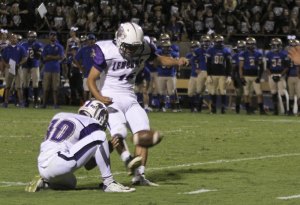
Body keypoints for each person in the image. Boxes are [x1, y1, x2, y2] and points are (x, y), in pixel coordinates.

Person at [87, 22, 188, 186]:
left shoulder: (144, 47)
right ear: (119, 39)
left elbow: (160, 59)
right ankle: (127, 159)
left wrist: (177, 62)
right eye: (129, 47)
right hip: (110, 96)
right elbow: (91, 79)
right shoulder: (105, 49)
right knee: (118, 132)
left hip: (130, 97)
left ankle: (139, 176)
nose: (132, 51)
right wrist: (99, 97)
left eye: (135, 47)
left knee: (143, 131)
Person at [25, 99, 135, 193]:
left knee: (71, 183)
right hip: (58, 160)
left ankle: (44, 182)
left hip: (44, 165)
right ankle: (109, 183)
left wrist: (108, 147)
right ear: (98, 114)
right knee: (101, 136)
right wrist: (109, 146)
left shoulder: (60, 115)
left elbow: (86, 163)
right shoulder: (90, 122)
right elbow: (88, 165)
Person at [239, 37, 267, 115]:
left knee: (259, 93)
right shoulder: (243, 54)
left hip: (255, 75)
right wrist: (241, 77)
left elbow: (261, 67)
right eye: (249, 44)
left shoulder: (258, 53)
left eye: (252, 44)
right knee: (246, 93)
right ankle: (248, 110)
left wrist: (259, 76)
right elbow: (240, 67)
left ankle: (261, 110)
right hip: (246, 76)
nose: (251, 46)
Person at [206, 34, 232, 114]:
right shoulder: (210, 50)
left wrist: (229, 75)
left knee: (223, 91)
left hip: (222, 73)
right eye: (218, 42)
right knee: (213, 91)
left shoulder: (226, 50)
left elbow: (229, 64)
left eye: (220, 42)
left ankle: (223, 108)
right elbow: (208, 64)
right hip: (213, 73)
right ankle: (213, 108)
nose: (219, 43)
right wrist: (208, 75)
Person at [2, 33, 27, 108]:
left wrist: (19, 64)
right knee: (7, 86)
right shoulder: (7, 48)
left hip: (18, 68)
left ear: (17, 39)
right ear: (10, 39)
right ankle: (5, 102)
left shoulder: (21, 48)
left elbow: (25, 58)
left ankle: (21, 102)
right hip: (9, 68)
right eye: (12, 38)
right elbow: (2, 58)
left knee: (19, 87)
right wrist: (6, 65)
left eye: (15, 38)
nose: (14, 39)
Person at [41, 31, 64, 109]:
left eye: (54, 36)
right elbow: (44, 58)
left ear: (56, 37)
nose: (53, 37)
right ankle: (44, 104)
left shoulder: (59, 47)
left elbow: (61, 57)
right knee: (46, 88)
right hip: (47, 69)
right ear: (49, 37)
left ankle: (55, 104)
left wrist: (50, 56)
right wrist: (55, 56)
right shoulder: (46, 46)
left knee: (55, 88)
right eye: (51, 35)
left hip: (56, 69)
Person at [265, 37, 289, 115]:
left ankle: (285, 110)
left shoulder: (284, 54)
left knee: (282, 93)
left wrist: (280, 75)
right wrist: (271, 75)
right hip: (272, 75)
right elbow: (267, 67)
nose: (275, 47)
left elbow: (286, 67)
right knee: (273, 93)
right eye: (273, 45)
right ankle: (276, 110)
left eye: (276, 45)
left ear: (280, 45)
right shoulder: (268, 54)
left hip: (281, 75)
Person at [21, 30, 43, 108]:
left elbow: (38, 57)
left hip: (34, 65)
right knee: (25, 83)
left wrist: (35, 50)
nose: (32, 38)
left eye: (34, 37)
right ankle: (26, 102)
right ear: (28, 37)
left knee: (35, 84)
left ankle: (36, 102)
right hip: (25, 65)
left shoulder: (38, 44)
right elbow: (21, 55)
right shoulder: (23, 44)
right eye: (31, 37)